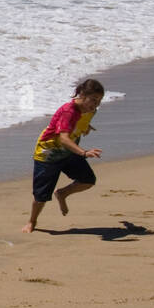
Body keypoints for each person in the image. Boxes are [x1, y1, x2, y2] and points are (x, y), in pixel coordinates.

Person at [22, 79, 104, 233]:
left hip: (68, 152)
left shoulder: (91, 110)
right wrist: (84, 153)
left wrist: (85, 127)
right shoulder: (69, 111)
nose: (96, 104)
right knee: (41, 196)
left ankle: (62, 193)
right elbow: (63, 138)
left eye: (99, 100)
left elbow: (81, 121)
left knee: (88, 180)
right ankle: (32, 222)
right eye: (93, 100)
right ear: (82, 95)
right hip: (48, 155)